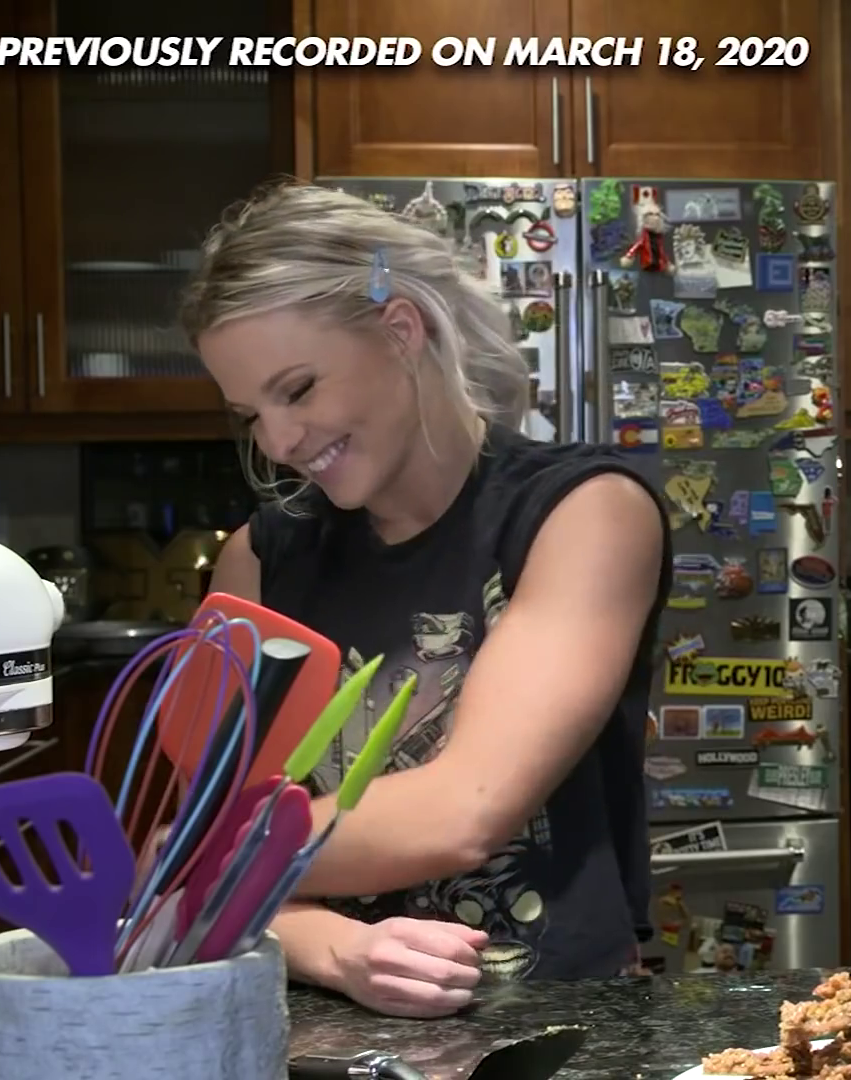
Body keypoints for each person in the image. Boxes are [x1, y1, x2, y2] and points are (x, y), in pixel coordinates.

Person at [183, 181, 671, 1016]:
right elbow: (196, 873)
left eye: (297, 389)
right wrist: (336, 949)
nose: (280, 441)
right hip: (321, 1017)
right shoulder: (259, 561)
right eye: (249, 414)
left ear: (401, 330)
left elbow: (464, 809)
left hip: (557, 1021)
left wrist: (212, 858)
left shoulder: (583, 513)